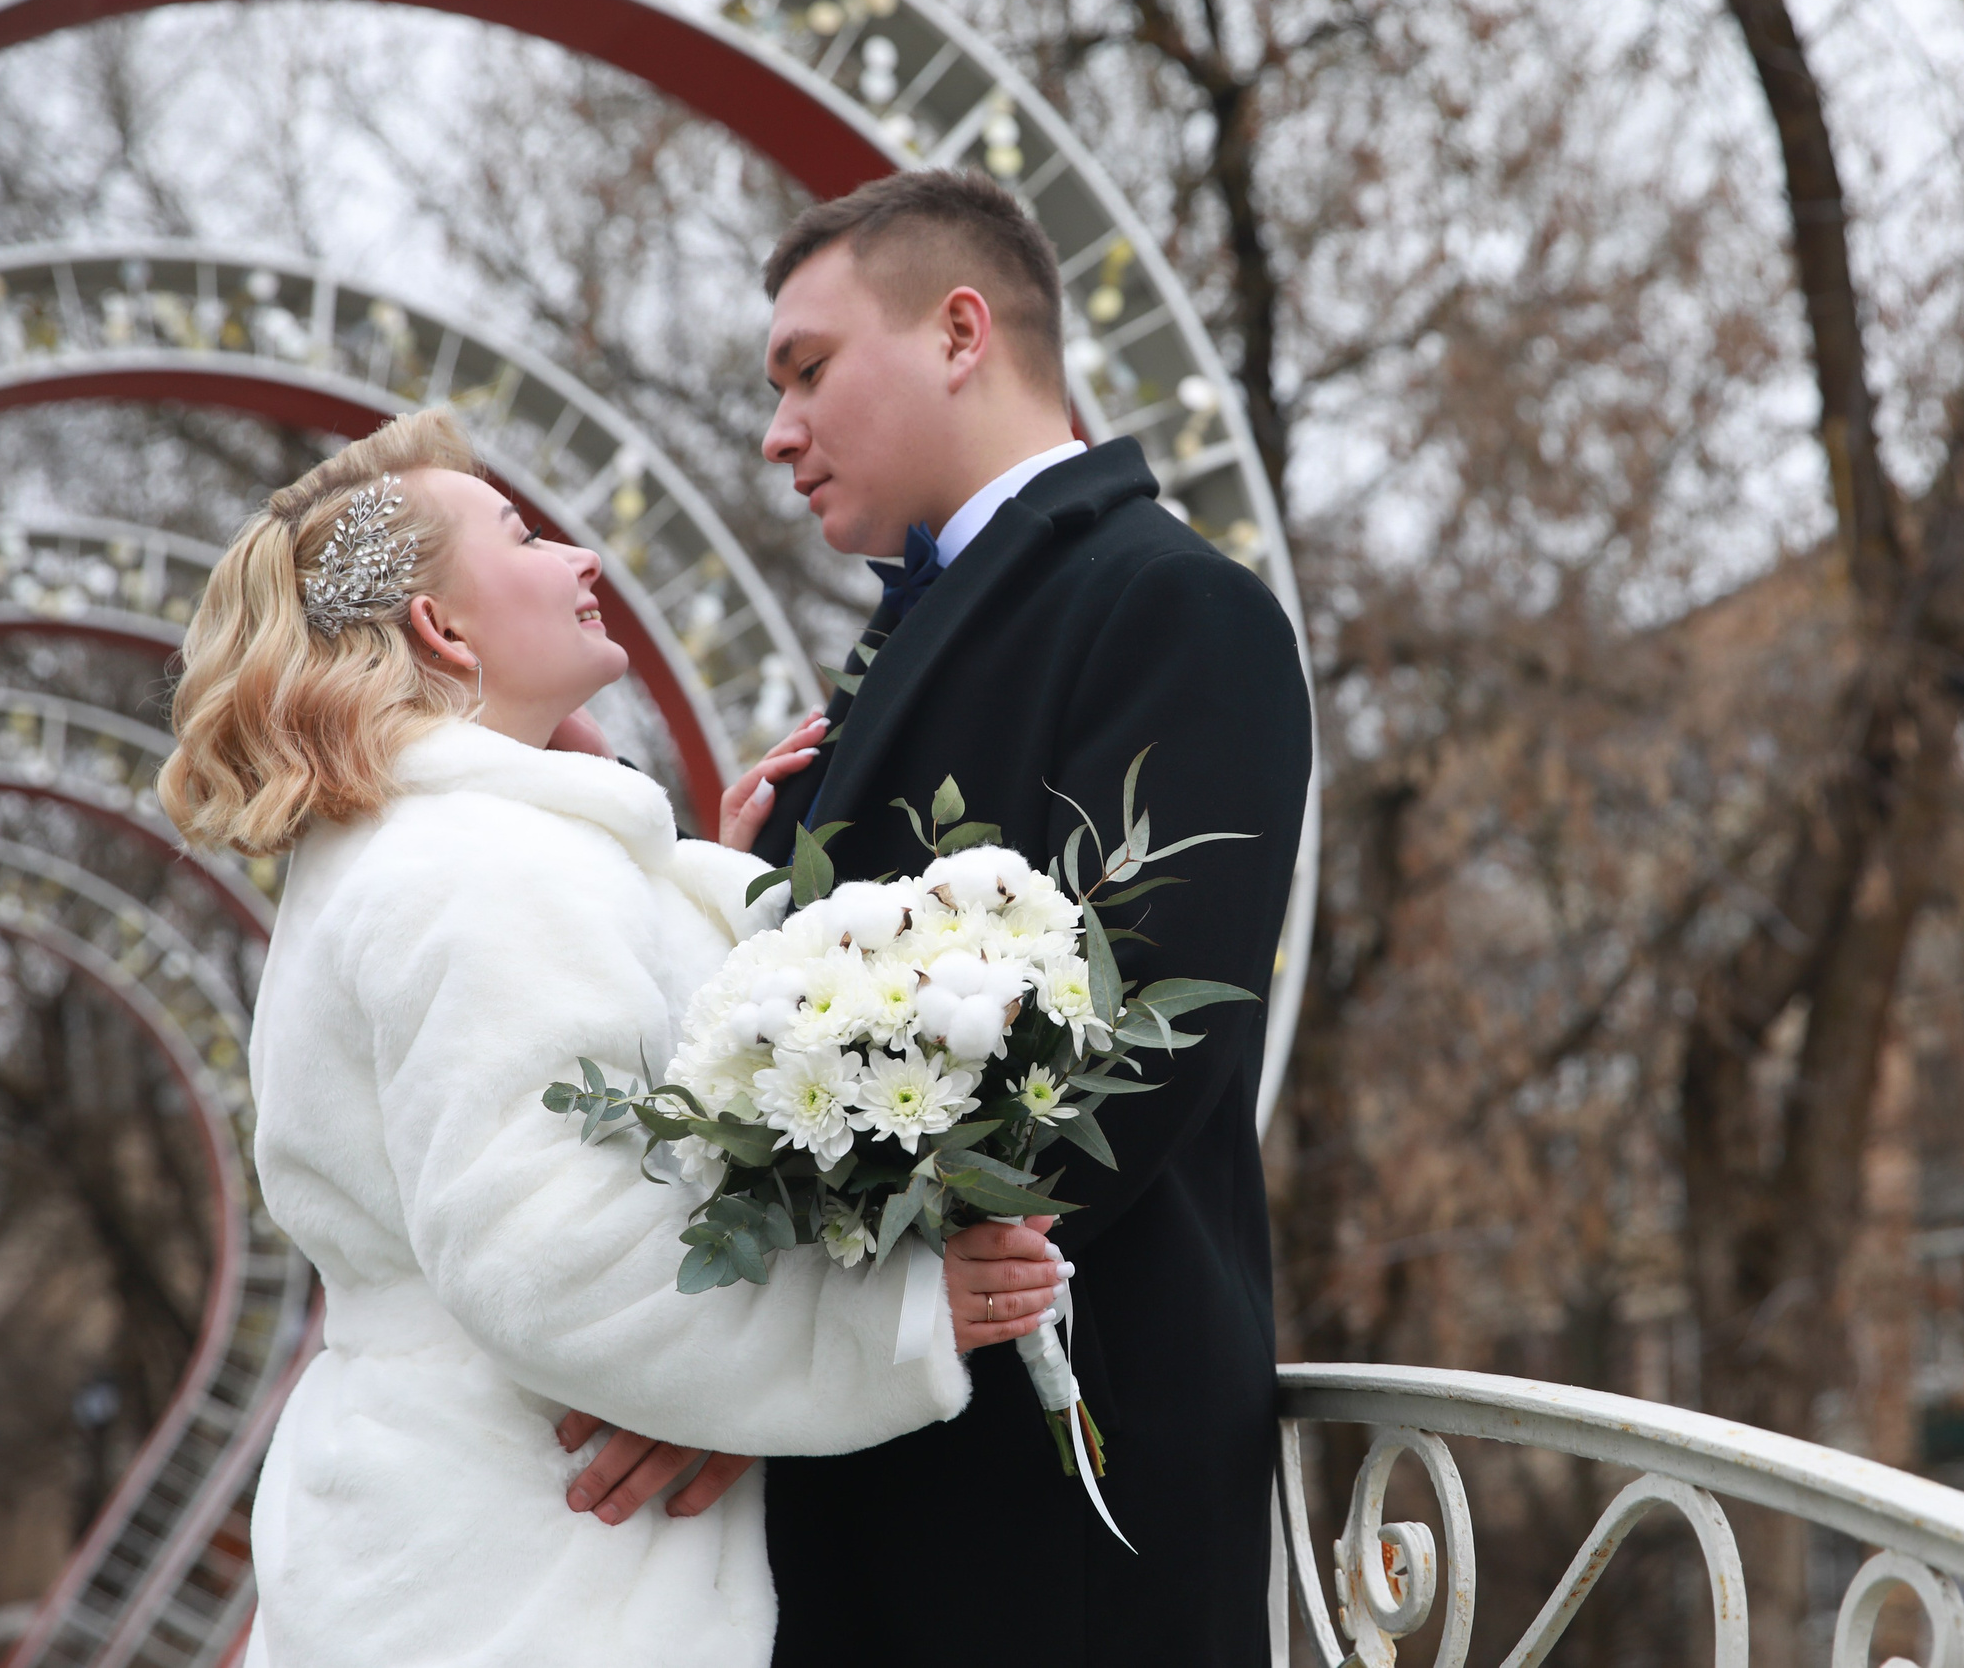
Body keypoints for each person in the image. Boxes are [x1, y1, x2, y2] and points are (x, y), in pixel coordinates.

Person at [155, 407, 1065, 1668]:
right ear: (441, 627)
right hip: (532, 1575)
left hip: (440, 1529)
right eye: (524, 537)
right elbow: (555, 1254)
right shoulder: (484, 871)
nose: (582, 561)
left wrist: (681, 877)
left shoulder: (414, 853)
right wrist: (895, 1320)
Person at [750, 169, 1312, 1664]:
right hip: (884, 1462)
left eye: (809, 368)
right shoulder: (898, 636)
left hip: (1060, 1478)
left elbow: (1141, 1048)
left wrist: (808, 1345)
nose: (776, 429)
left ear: (958, 331)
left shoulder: (1175, 602)